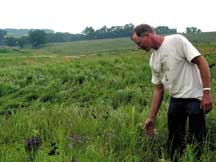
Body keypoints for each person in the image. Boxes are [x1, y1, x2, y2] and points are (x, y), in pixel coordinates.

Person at [131, 24, 213, 161]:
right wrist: (151, 118)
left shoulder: (176, 41)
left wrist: (206, 93)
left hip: (194, 98)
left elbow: (201, 62)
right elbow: (158, 89)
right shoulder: (153, 59)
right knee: (174, 141)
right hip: (175, 100)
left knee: (197, 141)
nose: (138, 47)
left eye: (139, 43)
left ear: (147, 35)